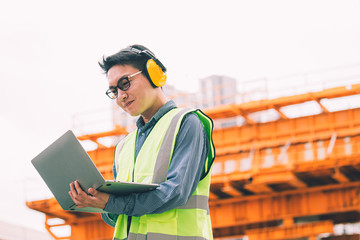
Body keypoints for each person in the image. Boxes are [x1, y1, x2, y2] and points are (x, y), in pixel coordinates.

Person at [68, 44, 215, 240]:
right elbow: (120, 216)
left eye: (125, 83)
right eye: (113, 91)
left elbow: (175, 192)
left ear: (154, 74)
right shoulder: (124, 147)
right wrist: (97, 202)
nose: (120, 96)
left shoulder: (187, 123)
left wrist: (111, 203)